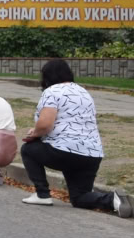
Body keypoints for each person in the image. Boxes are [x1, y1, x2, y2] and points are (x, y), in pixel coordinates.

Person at [19, 59, 132, 215]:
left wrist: (34, 133)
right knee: (80, 198)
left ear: (47, 77)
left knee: (28, 149)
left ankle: (42, 194)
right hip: (91, 154)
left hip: (64, 151)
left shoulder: (52, 91)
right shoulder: (83, 91)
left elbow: (45, 125)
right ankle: (113, 200)